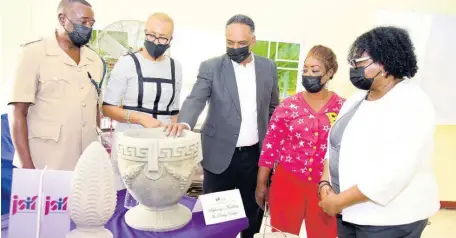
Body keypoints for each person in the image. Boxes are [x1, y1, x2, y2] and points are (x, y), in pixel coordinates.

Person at [318, 26, 440, 238]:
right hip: (348, 212)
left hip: (389, 220)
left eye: (359, 63)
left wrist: (339, 201)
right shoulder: (357, 99)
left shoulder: (413, 103)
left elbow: (395, 172)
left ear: (384, 64)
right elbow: (335, 144)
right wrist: (324, 182)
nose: (353, 68)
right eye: (352, 63)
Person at [166, 14, 280, 238]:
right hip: (218, 156)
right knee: (216, 219)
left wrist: (274, 144)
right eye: (230, 42)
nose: (235, 47)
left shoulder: (268, 68)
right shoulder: (211, 67)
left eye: (241, 43)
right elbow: (196, 98)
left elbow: (273, 107)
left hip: (254, 158)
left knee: (251, 214)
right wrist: (185, 123)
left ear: (253, 41)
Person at [256, 45, 344, 237]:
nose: (308, 74)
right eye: (305, 69)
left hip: (326, 186)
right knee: (282, 234)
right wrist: (261, 183)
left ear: (329, 73)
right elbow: (270, 147)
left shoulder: (342, 108)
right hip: (287, 183)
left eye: (315, 70)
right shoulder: (288, 106)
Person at [7, 0, 103, 170]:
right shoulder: (33, 53)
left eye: (91, 23)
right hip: (45, 161)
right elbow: (17, 111)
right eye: (83, 22)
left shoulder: (95, 60)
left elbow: (94, 109)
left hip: (86, 162)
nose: (88, 27)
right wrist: (27, 166)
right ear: (62, 18)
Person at [102, 12, 181, 130]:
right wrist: (140, 118)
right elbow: (108, 108)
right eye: (152, 35)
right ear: (145, 33)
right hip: (130, 138)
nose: (156, 41)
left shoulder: (175, 67)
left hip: (163, 140)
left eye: (163, 38)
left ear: (170, 39)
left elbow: (174, 112)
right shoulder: (127, 63)